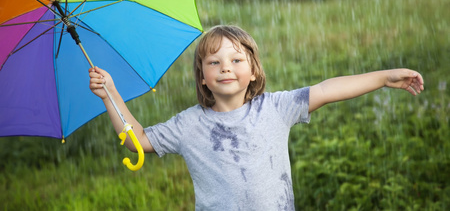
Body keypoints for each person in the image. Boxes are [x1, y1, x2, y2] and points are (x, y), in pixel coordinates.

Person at [89, 25, 424, 210]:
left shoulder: (275, 108)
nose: (225, 68)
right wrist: (111, 94)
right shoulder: (189, 125)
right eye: (214, 62)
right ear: (202, 77)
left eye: (236, 60)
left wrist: (383, 78)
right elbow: (138, 139)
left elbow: (327, 89)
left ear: (253, 72)